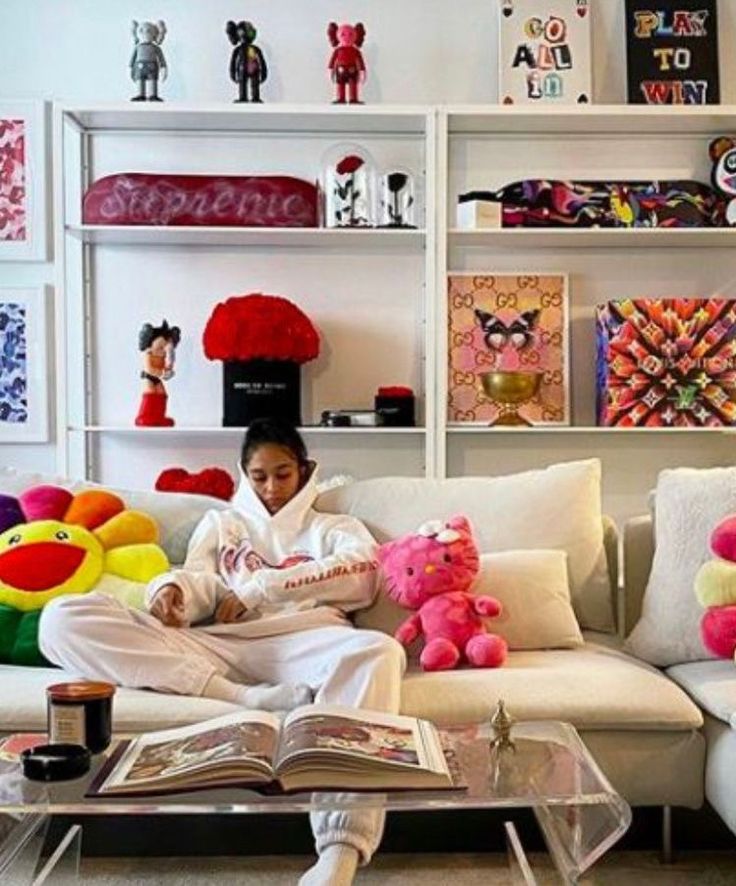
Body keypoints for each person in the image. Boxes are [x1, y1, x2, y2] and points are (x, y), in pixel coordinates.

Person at [39, 417, 406, 886]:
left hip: (308, 640)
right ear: (244, 474)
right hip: (220, 646)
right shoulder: (222, 523)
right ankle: (243, 698)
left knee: (378, 651)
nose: (271, 487)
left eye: (283, 473)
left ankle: (340, 850)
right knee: (62, 618)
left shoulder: (333, 526)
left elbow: (362, 575)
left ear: (305, 469)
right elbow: (201, 579)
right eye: (259, 476)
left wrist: (260, 589)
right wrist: (170, 592)